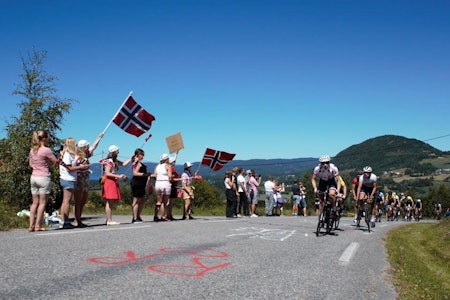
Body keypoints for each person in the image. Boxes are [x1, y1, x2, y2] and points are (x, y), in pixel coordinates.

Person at [28, 130, 60, 232]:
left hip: (34, 177)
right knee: (42, 203)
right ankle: (38, 225)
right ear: (45, 138)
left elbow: (31, 164)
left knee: (34, 203)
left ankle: (31, 225)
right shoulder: (46, 150)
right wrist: (61, 157)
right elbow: (56, 162)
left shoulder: (32, 150)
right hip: (43, 177)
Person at [73, 133, 104, 228]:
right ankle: (76, 219)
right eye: (86, 146)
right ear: (83, 147)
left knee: (83, 199)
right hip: (79, 178)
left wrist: (99, 138)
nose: (88, 147)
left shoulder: (86, 154)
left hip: (86, 178)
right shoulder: (76, 156)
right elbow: (75, 167)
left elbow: (94, 146)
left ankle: (79, 219)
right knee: (78, 200)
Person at [59, 137, 90, 229]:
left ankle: (68, 220)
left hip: (72, 179)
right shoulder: (67, 155)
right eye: (75, 144)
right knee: (66, 201)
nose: (76, 145)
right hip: (67, 178)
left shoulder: (71, 155)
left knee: (69, 200)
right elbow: (69, 168)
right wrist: (80, 167)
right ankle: (64, 221)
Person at [101, 145, 130, 225]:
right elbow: (107, 173)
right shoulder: (109, 161)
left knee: (111, 201)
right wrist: (118, 176)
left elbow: (123, 164)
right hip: (109, 181)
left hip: (113, 181)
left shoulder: (114, 160)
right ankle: (109, 220)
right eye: (117, 151)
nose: (118, 152)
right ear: (114, 152)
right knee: (109, 201)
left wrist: (131, 158)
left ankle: (109, 219)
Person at [130, 148, 150, 223]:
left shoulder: (140, 163)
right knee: (136, 201)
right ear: (137, 155)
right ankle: (135, 217)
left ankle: (138, 216)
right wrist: (145, 174)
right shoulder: (136, 163)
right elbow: (135, 173)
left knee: (142, 200)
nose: (142, 156)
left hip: (141, 183)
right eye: (141, 155)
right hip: (137, 183)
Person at [153, 153, 172, 221]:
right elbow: (169, 176)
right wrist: (171, 178)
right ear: (166, 159)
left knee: (158, 201)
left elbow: (154, 175)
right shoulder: (168, 166)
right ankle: (163, 216)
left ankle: (155, 215)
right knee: (164, 202)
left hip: (158, 183)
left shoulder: (157, 166)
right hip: (165, 183)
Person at [167, 155, 181, 220]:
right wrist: (179, 179)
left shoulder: (172, 168)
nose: (175, 162)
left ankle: (170, 214)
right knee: (170, 202)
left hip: (173, 185)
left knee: (171, 202)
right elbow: (171, 179)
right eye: (174, 161)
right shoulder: (171, 169)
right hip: (171, 185)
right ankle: (168, 215)